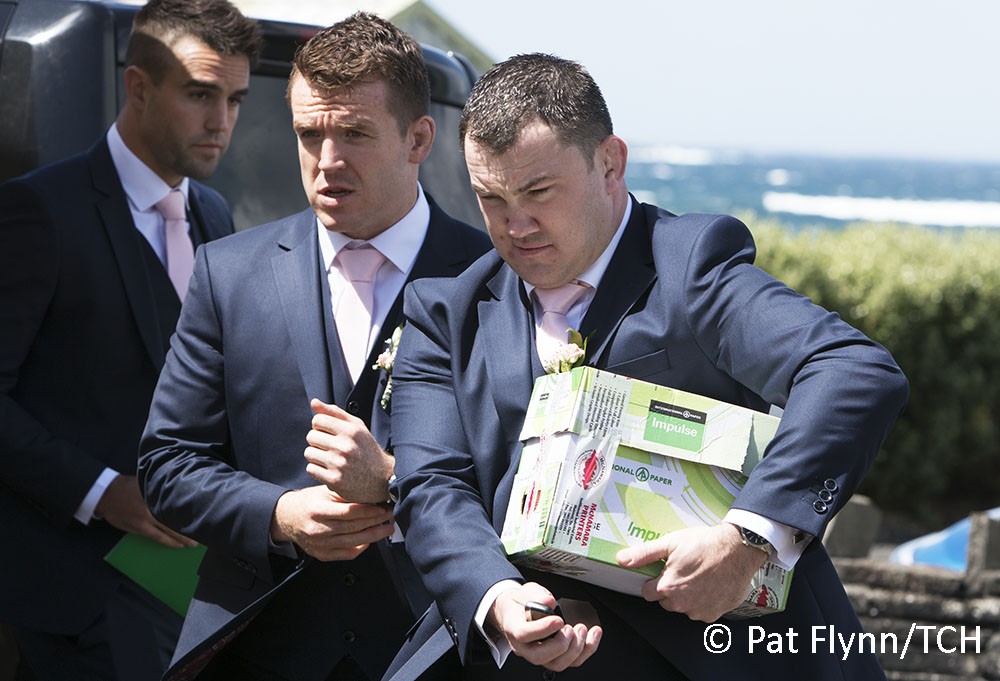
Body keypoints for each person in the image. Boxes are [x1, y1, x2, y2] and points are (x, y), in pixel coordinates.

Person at [384, 53, 909, 680]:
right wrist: (498, 597)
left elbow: (851, 369)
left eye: (538, 192)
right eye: (490, 199)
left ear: (610, 163)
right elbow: (431, 482)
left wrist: (746, 541)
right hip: (523, 660)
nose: (514, 225)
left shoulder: (691, 267)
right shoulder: (443, 312)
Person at [137, 13, 491, 681]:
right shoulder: (227, 273)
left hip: (446, 650)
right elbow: (167, 465)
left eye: (355, 133)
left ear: (420, 138)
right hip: (262, 650)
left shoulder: (494, 281)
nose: (327, 162)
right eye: (309, 134)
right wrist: (278, 512)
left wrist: (394, 479)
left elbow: (529, 481)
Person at [0, 1, 259, 679]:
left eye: (234, 99)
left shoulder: (213, 213)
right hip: (65, 604)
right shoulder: (40, 211)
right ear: (138, 86)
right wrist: (102, 488)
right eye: (200, 95)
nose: (222, 123)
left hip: (187, 596)